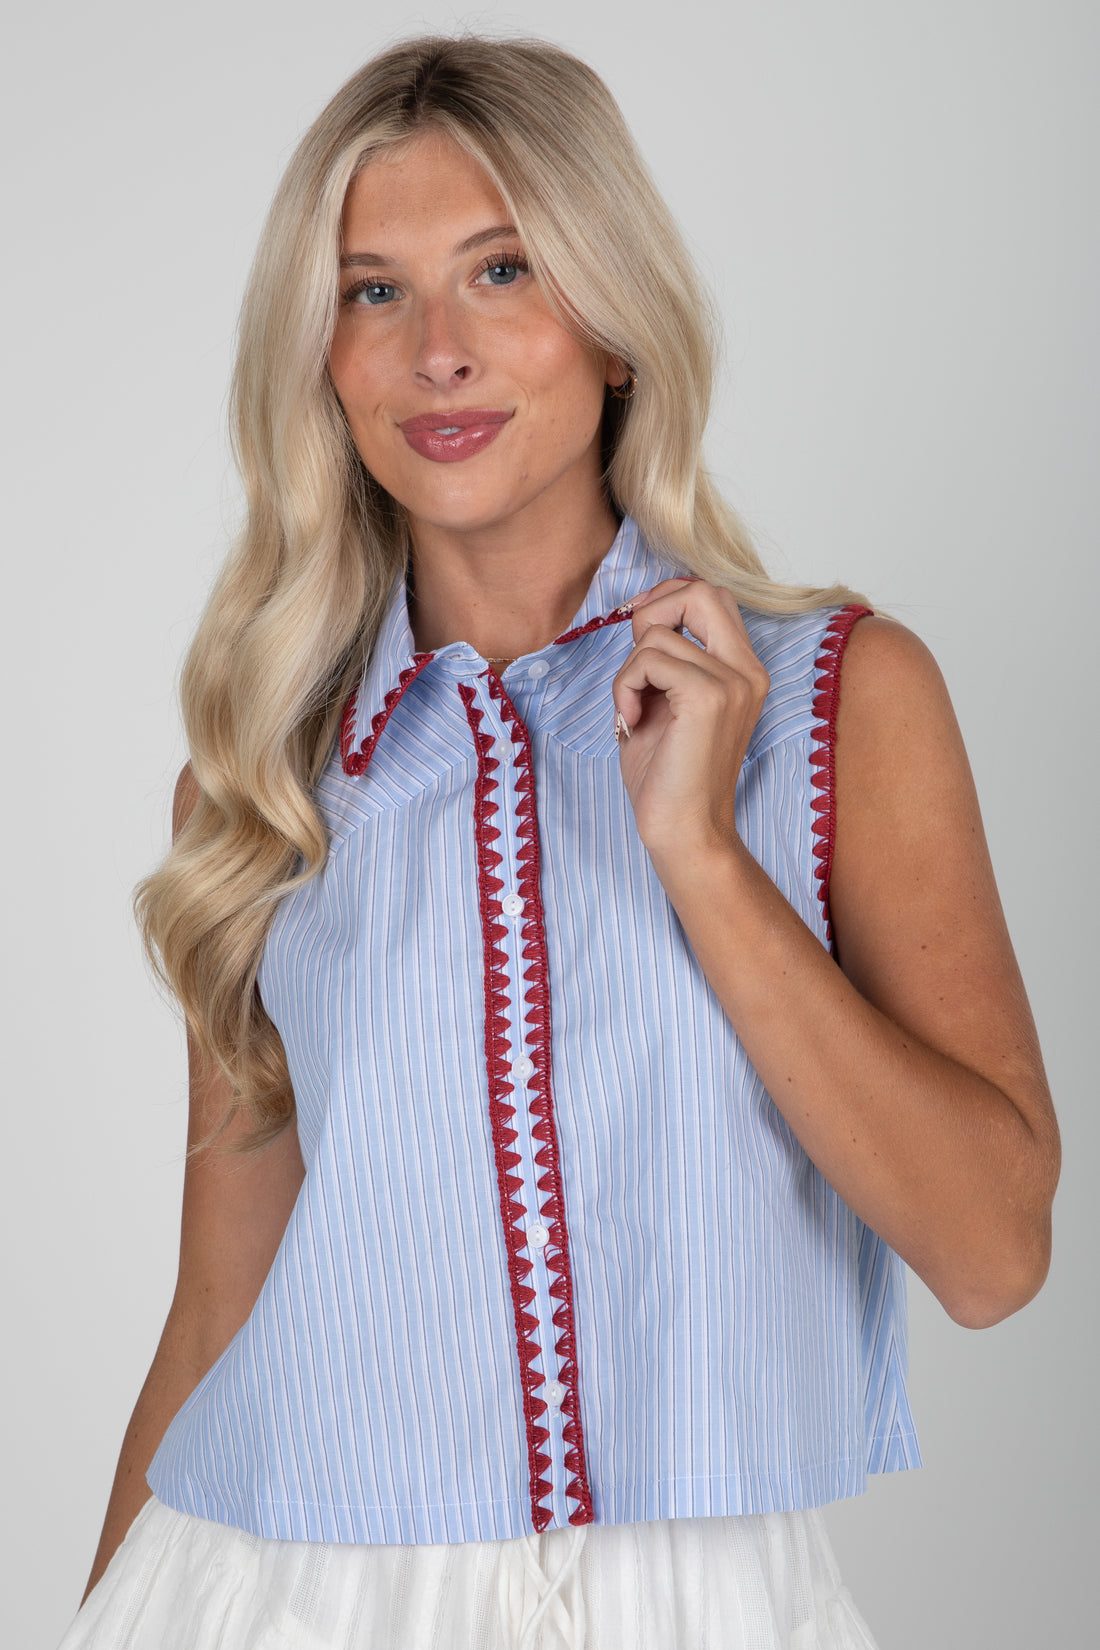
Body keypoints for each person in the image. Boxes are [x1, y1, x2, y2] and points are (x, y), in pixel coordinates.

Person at [60, 32, 1060, 1650]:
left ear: (613, 325)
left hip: (703, 1602)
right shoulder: (262, 786)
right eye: (373, 291)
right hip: (281, 1594)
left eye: (503, 269)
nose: (436, 351)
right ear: (319, 356)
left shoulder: (837, 701)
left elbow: (993, 1249)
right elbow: (217, 1313)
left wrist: (706, 866)